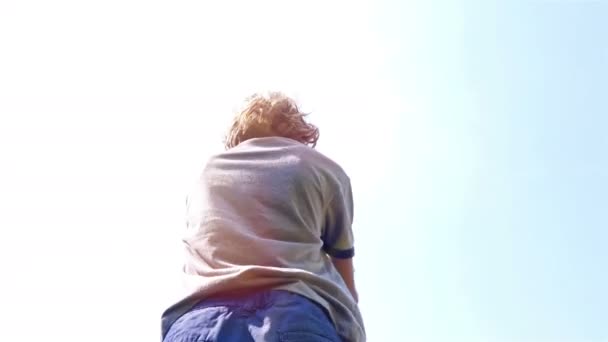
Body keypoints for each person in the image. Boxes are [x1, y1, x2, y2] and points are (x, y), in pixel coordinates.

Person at [161, 92, 365, 342]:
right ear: (298, 127)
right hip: (296, 312)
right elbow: (342, 264)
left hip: (199, 318)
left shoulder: (207, 172)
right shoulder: (324, 169)